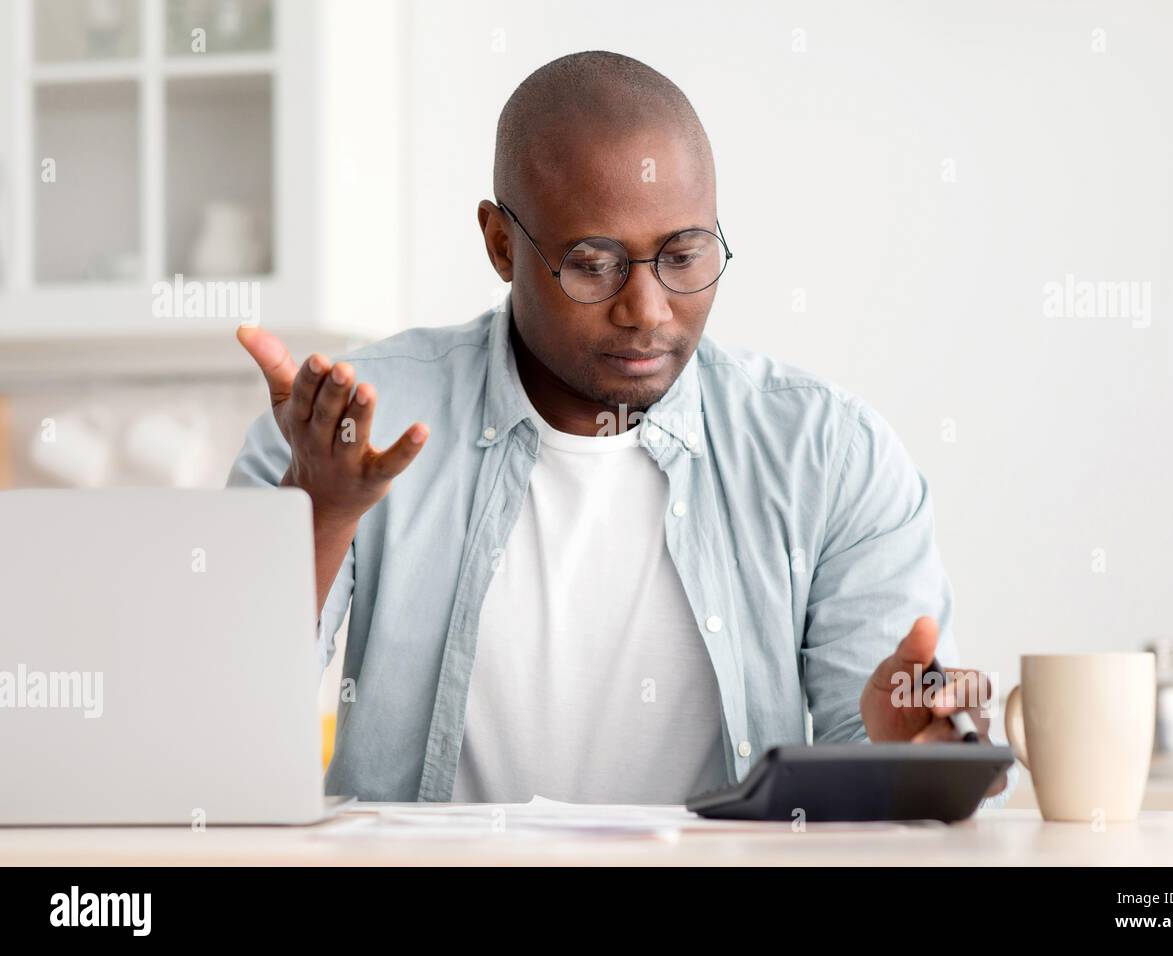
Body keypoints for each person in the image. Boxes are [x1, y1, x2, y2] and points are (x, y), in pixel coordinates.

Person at [230, 50, 1014, 806]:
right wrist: (321, 516)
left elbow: (876, 771)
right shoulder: (341, 428)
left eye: (683, 254)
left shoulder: (829, 456)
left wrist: (906, 755)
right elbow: (219, 727)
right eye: (593, 263)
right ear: (502, 243)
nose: (647, 310)